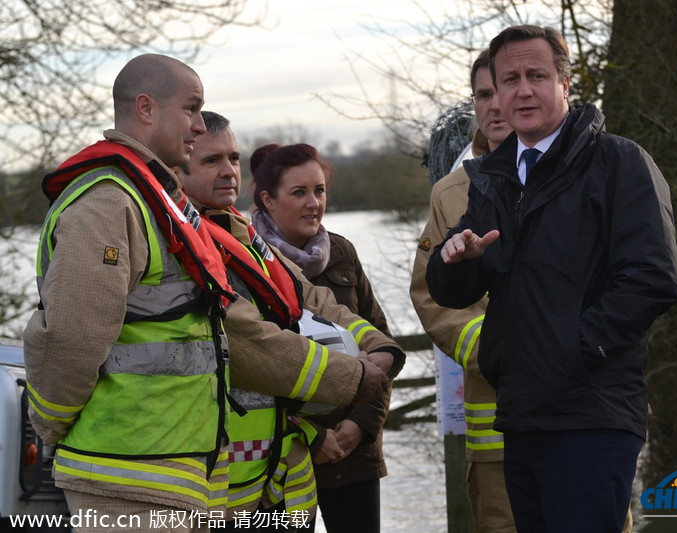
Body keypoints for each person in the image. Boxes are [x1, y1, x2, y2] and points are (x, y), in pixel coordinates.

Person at [23, 54, 386, 533]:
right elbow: (71, 339)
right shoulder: (109, 204)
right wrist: (52, 424)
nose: (198, 126)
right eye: (191, 109)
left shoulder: (160, 206)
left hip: (176, 475)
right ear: (147, 108)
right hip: (123, 474)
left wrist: (375, 351)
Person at [426, 25, 677, 533]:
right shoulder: (495, 176)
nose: (522, 91)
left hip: (592, 412)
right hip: (522, 414)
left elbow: (653, 278)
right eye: (510, 79)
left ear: (565, 83)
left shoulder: (618, 163)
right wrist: (455, 260)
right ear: (495, 93)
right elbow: (450, 291)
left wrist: (576, 350)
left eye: (537, 75)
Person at [177, 110, 405, 531]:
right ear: (179, 162)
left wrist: (380, 350)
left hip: (283, 461)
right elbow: (254, 345)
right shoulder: (187, 240)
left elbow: (310, 298)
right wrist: (350, 381)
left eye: (233, 158)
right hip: (230, 466)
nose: (229, 171)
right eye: (212, 161)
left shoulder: (243, 236)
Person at [249, 142, 399, 533]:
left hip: (353, 453)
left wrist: (361, 426)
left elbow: (380, 344)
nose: (313, 202)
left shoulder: (343, 254)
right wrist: (313, 436)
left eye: (319, 190)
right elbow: (255, 365)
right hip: (282, 456)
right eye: (299, 192)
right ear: (267, 199)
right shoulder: (246, 261)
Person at [409, 49, 516, 533]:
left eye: (505, 89)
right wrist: (490, 349)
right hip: (495, 427)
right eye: (483, 94)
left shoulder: (593, 171)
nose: (495, 105)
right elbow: (429, 292)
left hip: (581, 415)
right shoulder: (451, 192)